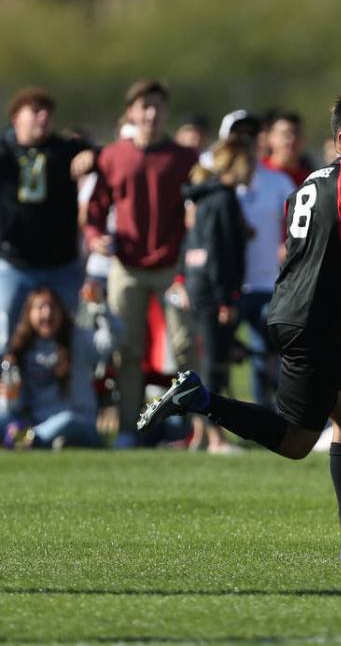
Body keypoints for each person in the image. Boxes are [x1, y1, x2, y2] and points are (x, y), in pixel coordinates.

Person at [136, 95, 341, 562]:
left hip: (298, 314)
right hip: (312, 320)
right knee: (296, 442)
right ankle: (201, 399)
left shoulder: (309, 183)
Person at [84, 79, 200, 447]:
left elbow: (202, 201)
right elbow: (95, 207)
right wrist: (94, 236)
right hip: (126, 268)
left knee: (184, 347)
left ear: (165, 113)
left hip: (171, 269)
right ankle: (127, 431)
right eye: (143, 107)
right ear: (131, 112)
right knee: (127, 352)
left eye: (157, 107)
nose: (150, 114)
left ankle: (192, 429)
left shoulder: (183, 157)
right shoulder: (112, 156)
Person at [169, 137, 251, 453]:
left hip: (198, 286)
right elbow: (219, 254)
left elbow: (194, 245)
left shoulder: (205, 197)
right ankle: (216, 437)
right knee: (214, 365)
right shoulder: (223, 199)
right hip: (213, 293)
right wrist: (226, 298)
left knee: (208, 362)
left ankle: (202, 435)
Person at [0, 87, 95, 352]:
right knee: (4, 333)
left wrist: (92, 155)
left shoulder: (65, 149)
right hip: (14, 263)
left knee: (67, 336)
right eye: (36, 111)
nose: (44, 117)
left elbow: (105, 157)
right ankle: (8, 391)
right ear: (17, 117)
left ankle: (64, 392)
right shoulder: (5, 152)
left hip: (61, 265)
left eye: (48, 113)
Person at [213, 109, 294, 408]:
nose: (245, 140)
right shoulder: (213, 182)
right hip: (227, 290)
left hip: (267, 285)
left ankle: (270, 420)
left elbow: (297, 227)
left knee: (269, 357)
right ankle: (213, 425)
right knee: (216, 359)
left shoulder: (279, 181)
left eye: (251, 133)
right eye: (238, 133)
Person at [1, 285, 119, 449]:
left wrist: (101, 306)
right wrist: (8, 398)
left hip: (78, 422)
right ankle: (31, 439)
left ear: (62, 312)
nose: (47, 313)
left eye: (52, 307)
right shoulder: (20, 351)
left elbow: (113, 339)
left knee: (67, 420)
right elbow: (14, 408)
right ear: (29, 313)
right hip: (36, 422)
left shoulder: (77, 340)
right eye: (40, 307)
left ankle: (28, 440)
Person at [262, 109, 312, 186]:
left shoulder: (310, 180)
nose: (291, 139)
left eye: (296, 133)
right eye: (285, 134)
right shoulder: (258, 173)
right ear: (270, 137)